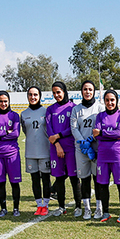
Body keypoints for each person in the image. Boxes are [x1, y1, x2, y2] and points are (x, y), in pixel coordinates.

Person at [92, 89, 120, 222]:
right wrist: (112, 134)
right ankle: (106, 212)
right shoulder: (100, 116)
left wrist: (103, 132)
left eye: (112, 100)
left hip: (118, 154)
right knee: (102, 184)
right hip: (103, 154)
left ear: (116, 100)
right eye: (107, 100)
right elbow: (96, 133)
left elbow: (119, 133)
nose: (110, 103)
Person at [70, 80, 102, 219]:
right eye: (85, 89)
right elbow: (74, 127)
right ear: (81, 91)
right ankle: (87, 208)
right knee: (84, 179)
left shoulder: (100, 108)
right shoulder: (76, 109)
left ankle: (99, 208)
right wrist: (83, 142)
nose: (87, 92)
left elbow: (101, 126)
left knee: (98, 178)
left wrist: (91, 141)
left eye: (90, 89)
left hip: (96, 148)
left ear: (93, 91)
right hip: (81, 149)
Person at [46, 81, 78, 216]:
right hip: (55, 148)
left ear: (64, 91)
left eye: (58, 92)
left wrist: (59, 136)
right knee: (59, 178)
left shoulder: (73, 108)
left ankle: (78, 206)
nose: (56, 95)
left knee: (73, 177)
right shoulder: (50, 109)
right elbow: (49, 128)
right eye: (54, 93)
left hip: (70, 147)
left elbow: (72, 128)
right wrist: (57, 144)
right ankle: (61, 207)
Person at [0, 91, 22, 217]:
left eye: (5, 101)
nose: (3, 104)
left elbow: (16, 133)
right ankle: (3, 208)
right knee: (0, 182)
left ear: (9, 101)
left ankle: (16, 208)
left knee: (14, 182)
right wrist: (7, 132)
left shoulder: (14, 116)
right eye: (1, 101)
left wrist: (0, 135)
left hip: (12, 153)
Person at [21, 86, 51, 216]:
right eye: (30, 95)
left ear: (40, 96)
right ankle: (39, 205)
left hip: (45, 151)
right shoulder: (24, 114)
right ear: (28, 96)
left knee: (45, 179)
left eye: (35, 95)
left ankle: (46, 204)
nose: (33, 97)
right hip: (30, 152)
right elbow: (25, 130)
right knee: (34, 179)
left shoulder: (46, 111)